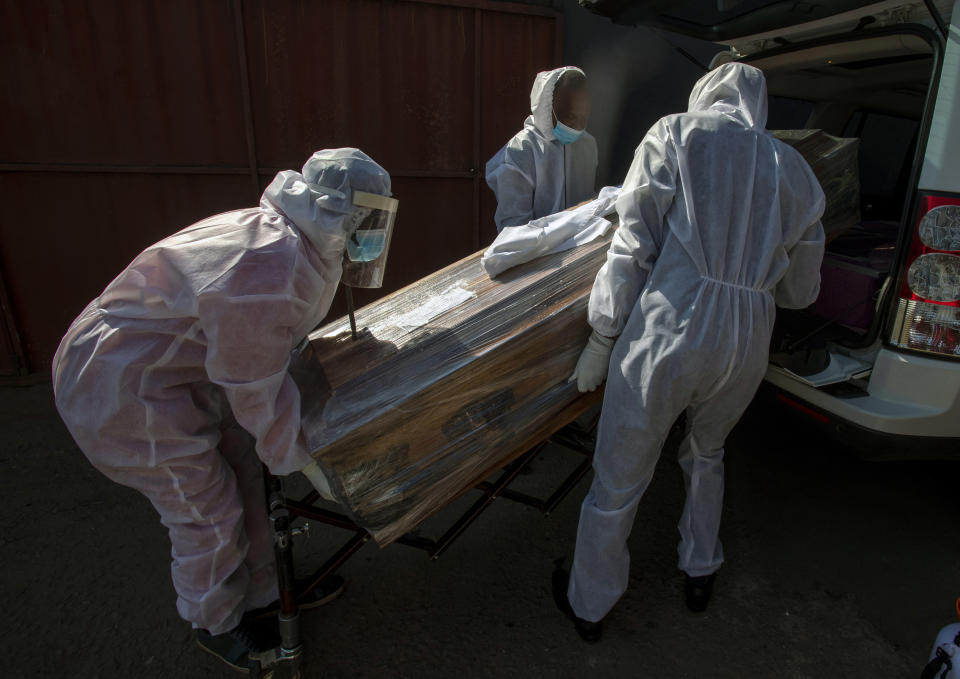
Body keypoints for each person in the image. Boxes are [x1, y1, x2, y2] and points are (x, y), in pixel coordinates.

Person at [51, 148, 396, 671]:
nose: (370, 233)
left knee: (244, 474)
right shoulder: (272, 264)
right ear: (338, 213)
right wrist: (303, 458)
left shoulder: (295, 239)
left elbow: (263, 353)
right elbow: (253, 383)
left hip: (168, 369)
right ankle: (213, 622)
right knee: (205, 507)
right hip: (122, 384)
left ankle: (263, 594)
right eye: (365, 219)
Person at [556, 63, 826, 642]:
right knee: (708, 451)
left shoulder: (676, 133)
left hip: (670, 330)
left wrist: (603, 336)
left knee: (621, 475)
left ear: (704, 93)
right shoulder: (797, 170)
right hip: (747, 340)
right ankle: (699, 569)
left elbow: (633, 243)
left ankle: (590, 605)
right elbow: (802, 293)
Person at [485, 66, 598, 232]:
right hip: (537, 251)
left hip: (581, 244)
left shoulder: (587, 144)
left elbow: (589, 201)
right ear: (547, 107)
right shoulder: (520, 151)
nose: (578, 128)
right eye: (571, 119)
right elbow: (515, 229)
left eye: (584, 119)